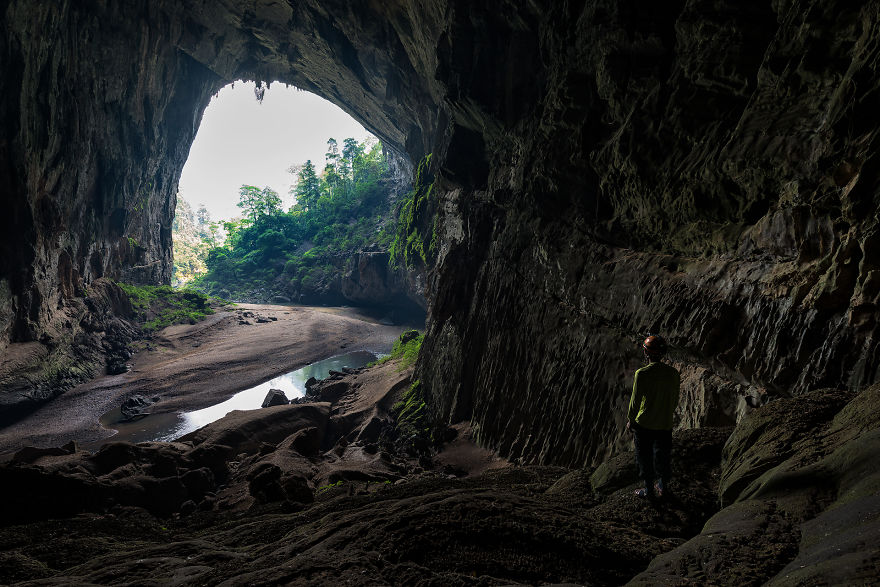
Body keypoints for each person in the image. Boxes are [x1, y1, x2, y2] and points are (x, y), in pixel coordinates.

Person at [627, 334, 680, 499]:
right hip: (664, 423)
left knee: (644, 457)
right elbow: (674, 400)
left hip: (644, 423)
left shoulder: (642, 374)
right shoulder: (673, 373)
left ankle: (649, 490)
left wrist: (631, 420)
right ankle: (663, 487)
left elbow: (635, 401)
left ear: (646, 352)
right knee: (662, 456)